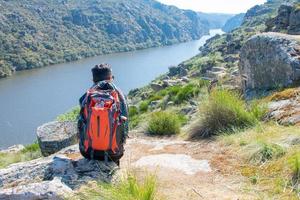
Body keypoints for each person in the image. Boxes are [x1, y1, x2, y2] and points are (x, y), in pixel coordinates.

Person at [78, 63, 128, 166]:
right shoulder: (120, 96)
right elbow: (125, 127)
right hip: (114, 153)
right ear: (111, 78)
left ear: (93, 80)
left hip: (87, 152)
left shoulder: (86, 97)